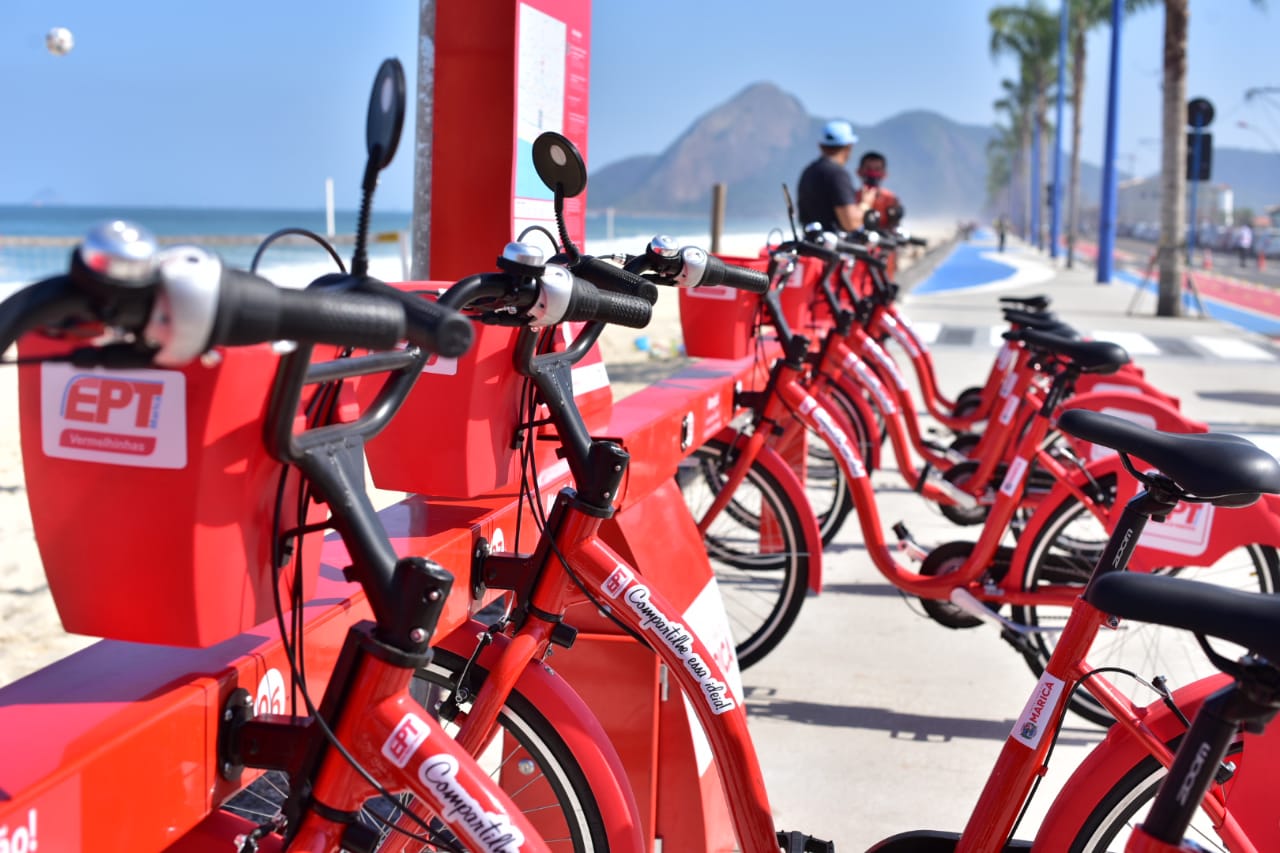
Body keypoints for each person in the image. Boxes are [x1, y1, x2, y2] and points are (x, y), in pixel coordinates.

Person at [796, 120, 872, 234]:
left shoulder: (808, 171)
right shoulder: (837, 174)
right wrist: (865, 204)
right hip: (832, 243)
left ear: (821, 146)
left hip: (809, 241)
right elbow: (850, 223)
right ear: (848, 147)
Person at [853, 151, 900, 227]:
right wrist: (864, 204)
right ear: (859, 172)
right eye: (868, 169)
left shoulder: (891, 199)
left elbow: (895, 226)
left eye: (877, 169)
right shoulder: (850, 199)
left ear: (884, 174)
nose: (872, 173)